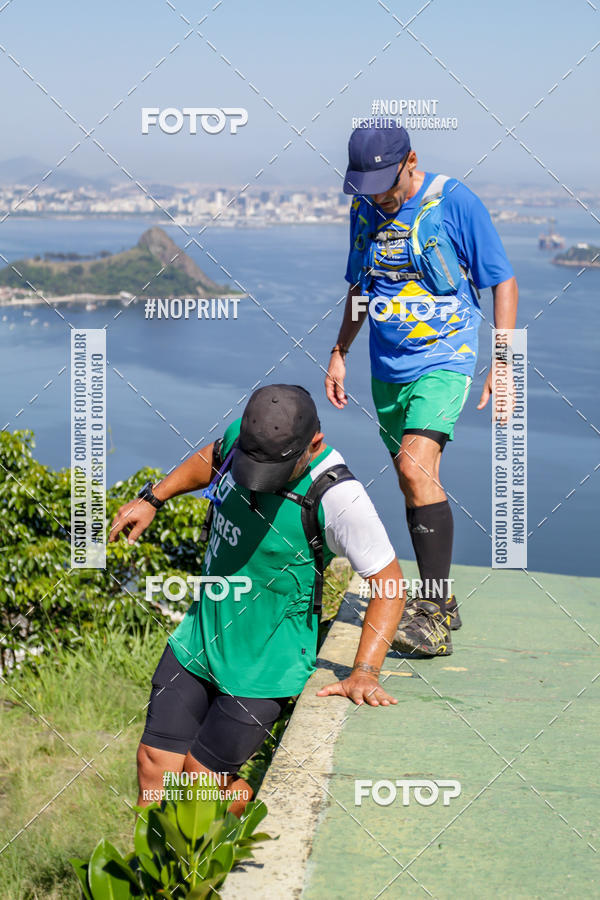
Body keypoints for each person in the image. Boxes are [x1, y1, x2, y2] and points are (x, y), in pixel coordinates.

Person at [110, 384, 406, 816]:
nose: (255, 477)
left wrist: (364, 671)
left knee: (200, 787)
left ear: (315, 444)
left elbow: (389, 582)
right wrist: (155, 497)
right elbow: (211, 459)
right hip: (200, 638)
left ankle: (232, 818)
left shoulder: (339, 497)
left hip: (265, 663)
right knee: (154, 769)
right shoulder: (244, 437)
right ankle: (153, 880)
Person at [325, 123, 518, 657]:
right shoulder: (364, 209)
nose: (379, 195)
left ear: (412, 160)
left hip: (445, 356)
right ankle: (443, 597)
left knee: (415, 467)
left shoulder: (454, 201)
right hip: (387, 366)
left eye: (386, 182)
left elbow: (502, 279)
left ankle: (431, 613)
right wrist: (341, 350)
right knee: (415, 482)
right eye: (367, 186)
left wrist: (502, 363)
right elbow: (362, 287)